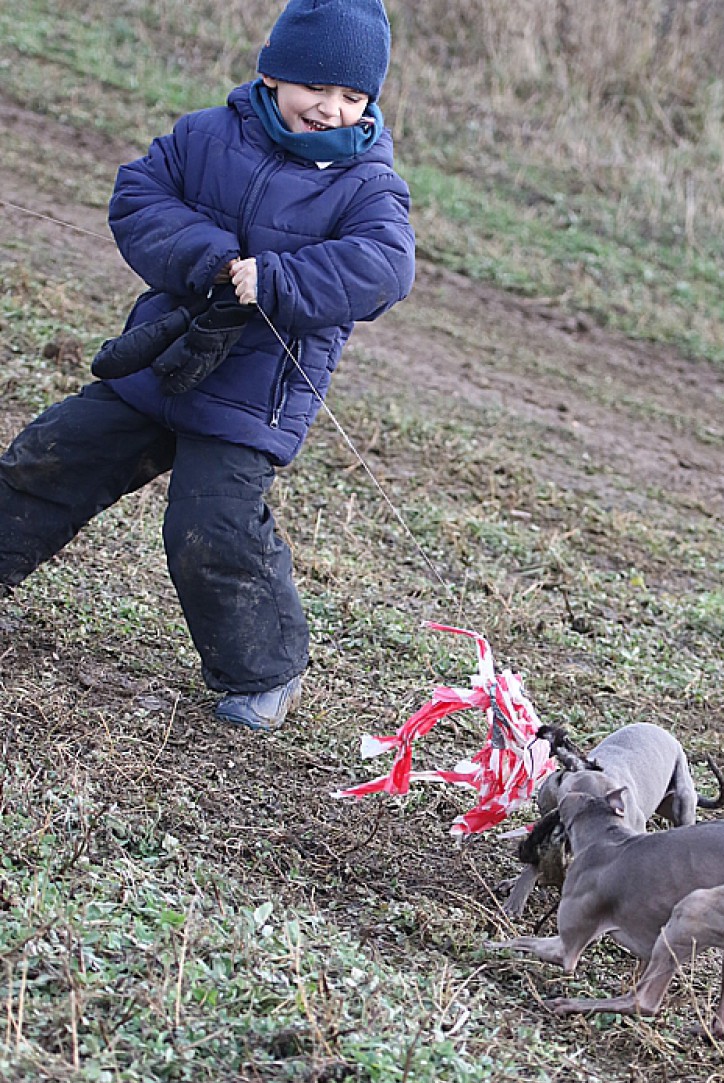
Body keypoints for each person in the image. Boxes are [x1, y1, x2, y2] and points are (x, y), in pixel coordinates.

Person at [0, 0, 414, 731]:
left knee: (211, 527)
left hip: (253, 394)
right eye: (317, 86)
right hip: (162, 357)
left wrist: (277, 279)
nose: (333, 108)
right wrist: (213, 258)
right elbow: (138, 196)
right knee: (52, 455)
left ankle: (265, 670)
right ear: (271, 72)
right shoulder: (206, 135)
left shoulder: (368, 184)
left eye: (355, 97)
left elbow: (385, 266)